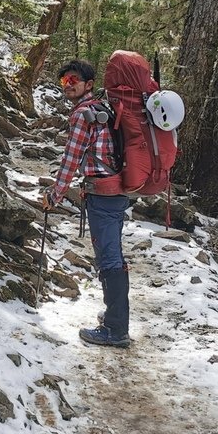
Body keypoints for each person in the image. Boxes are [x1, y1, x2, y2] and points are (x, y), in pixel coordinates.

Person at [42, 60, 132, 348]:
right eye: (64, 81)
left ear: (89, 84)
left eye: (73, 80)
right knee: (113, 254)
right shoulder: (100, 108)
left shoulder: (84, 115)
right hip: (115, 191)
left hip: (103, 195)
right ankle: (113, 317)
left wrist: (54, 195)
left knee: (109, 259)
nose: (68, 85)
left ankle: (115, 330)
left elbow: (71, 159)